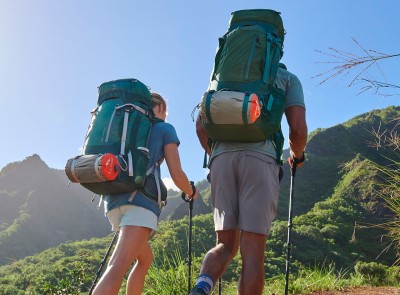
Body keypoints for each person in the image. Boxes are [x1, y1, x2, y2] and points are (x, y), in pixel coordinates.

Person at [190, 36, 307, 295]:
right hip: (260, 159)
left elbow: (200, 127)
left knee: (225, 246)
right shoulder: (287, 79)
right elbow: (297, 131)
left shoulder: (221, 80)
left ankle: (201, 288)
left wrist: (218, 155)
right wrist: (297, 157)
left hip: (220, 161)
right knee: (252, 253)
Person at [92, 92, 199, 295]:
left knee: (144, 259)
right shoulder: (164, 129)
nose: (166, 115)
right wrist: (191, 192)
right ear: (159, 108)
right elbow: (176, 174)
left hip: (114, 201)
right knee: (117, 266)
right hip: (140, 204)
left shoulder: (126, 131)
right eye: (165, 110)